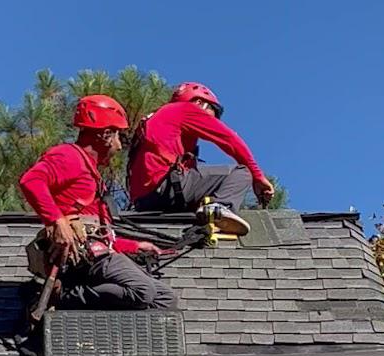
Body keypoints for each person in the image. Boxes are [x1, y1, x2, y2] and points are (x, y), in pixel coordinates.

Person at [19, 95, 177, 311]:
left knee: (165, 299)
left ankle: (107, 329)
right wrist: (57, 221)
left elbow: (100, 235)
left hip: (97, 253)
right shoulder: (69, 156)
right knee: (143, 290)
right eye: (118, 136)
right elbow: (31, 181)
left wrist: (134, 246)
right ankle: (60, 296)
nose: (119, 146)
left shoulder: (91, 174)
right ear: (105, 135)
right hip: (86, 257)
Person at [127, 81, 275, 235]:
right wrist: (258, 177)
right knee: (241, 172)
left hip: (143, 202)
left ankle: (206, 212)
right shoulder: (185, 109)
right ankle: (220, 209)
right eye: (213, 112)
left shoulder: (158, 118)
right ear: (199, 103)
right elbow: (230, 140)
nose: (214, 120)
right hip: (166, 187)